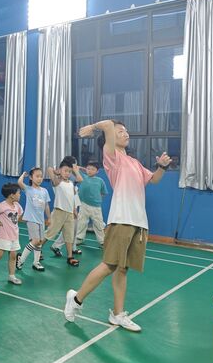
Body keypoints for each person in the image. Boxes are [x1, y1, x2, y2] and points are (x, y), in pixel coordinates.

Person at [63, 120, 171, 332]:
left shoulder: (134, 162)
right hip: (121, 218)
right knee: (109, 265)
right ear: (110, 138)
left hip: (139, 221)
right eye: (120, 131)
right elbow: (107, 125)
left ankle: (117, 314)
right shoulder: (111, 156)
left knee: (122, 269)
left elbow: (154, 180)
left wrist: (162, 166)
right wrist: (92, 128)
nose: (126, 133)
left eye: (126, 131)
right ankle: (75, 299)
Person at [37, 159, 83, 267]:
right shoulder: (57, 182)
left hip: (69, 214)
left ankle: (70, 257)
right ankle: (38, 249)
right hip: (59, 212)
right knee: (50, 233)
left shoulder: (71, 183)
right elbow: (49, 169)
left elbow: (73, 195)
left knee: (69, 236)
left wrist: (74, 210)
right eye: (65, 171)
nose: (67, 173)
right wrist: (56, 172)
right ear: (60, 170)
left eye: (69, 171)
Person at [16, 168, 51, 272]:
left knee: (39, 242)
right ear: (31, 177)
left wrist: (49, 217)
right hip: (31, 219)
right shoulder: (28, 189)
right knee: (35, 241)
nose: (40, 178)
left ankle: (36, 262)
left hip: (41, 220)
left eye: (41, 176)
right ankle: (21, 260)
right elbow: (19, 182)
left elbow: (46, 206)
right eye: (37, 176)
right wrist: (23, 175)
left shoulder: (44, 191)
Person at [74, 161, 108, 246]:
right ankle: (79, 238)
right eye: (88, 169)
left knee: (98, 224)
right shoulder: (82, 177)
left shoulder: (100, 181)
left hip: (96, 207)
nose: (90, 171)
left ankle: (102, 241)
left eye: (93, 169)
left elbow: (103, 193)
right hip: (84, 205)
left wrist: (97, 200)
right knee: (81, 222)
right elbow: (75, 168)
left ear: (97, 171)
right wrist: (82, 168)